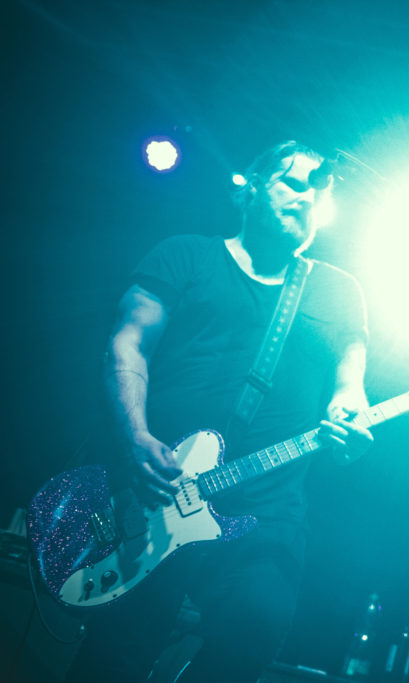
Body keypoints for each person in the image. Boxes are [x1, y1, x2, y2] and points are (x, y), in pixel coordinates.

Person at [63, 141, 373, 682]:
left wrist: (351, 421)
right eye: (292, 181)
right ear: (249, 189)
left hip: (267, 506)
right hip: (160, 489)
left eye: (318, 191)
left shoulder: (338, 291)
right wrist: (136, 437)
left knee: (256, 624)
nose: (307, 197)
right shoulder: (185, 255)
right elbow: (128, 344)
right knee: (117, 654)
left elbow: (351, 387)